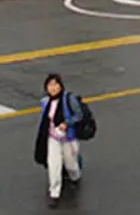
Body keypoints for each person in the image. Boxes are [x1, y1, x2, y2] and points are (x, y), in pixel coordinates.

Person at [34, 73, 83, 208]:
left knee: (70, 165)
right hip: (53, 138)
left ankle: (75, 176)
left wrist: (67, 123)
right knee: (53, 165)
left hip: (68, 138)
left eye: (56, 84)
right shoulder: (45, 102)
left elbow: (79, 115)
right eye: (50, 85)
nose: (53, 88)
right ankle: (54, 193)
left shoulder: (69, 99)